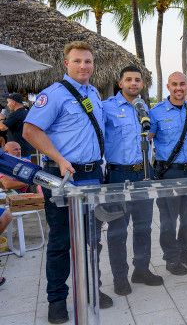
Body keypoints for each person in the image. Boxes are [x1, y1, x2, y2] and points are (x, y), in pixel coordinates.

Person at [23, 41, 112, 324]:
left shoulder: (94, 92)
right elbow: (29, 130)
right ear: (66, 64)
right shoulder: (54, 95)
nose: (84, 66)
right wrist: (59, 158)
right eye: (78, 61)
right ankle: (57, 300)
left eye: (88, 61)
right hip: (63, 177)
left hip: (92, 175)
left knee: (92, 239)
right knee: (61, 241)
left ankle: (91, 289)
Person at [103, 66, 163, 296]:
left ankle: (142, 269)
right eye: (128, 79)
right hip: (119, 175)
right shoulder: (107, 107)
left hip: (143, 174)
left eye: (137, 80)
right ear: (120, 83)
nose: (133, 83)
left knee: (143, 226)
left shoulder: (142, 107)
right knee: (118, 229)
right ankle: (120, 277)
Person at [149, 72, 187, 276]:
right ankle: (171, 257)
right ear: (168, 87)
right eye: (174, 85)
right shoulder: (156, 112)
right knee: (168, 219)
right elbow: (146, 139)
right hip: (168, 172)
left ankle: (186, 251)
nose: (178, 88)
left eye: (182, 84)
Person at [0, 93, 35, 157]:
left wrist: (1, 118)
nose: (8, 105)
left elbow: (2, 127)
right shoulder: (27, 112)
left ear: (13, 102)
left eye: (8, 102)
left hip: (16, 151)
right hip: (26, 149)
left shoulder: (16, 114)